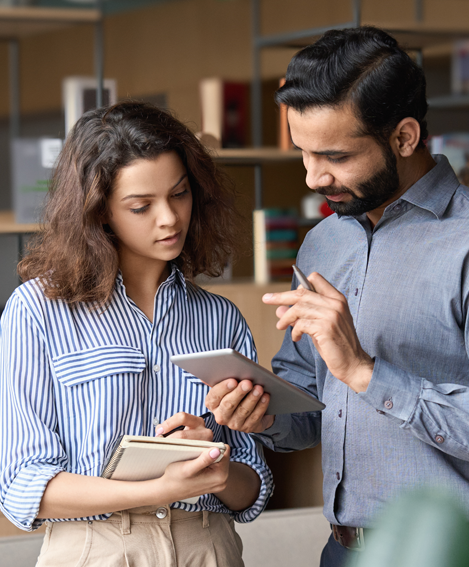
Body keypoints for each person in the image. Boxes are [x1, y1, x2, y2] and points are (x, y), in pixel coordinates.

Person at [205, 26, 469, 567]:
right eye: (303, 152)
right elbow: (310, 413)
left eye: (336, 156)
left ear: (405, 137)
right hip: (342, 550)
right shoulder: (324, 241)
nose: (315, 176)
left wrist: (365, 371)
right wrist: (261, 412)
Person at [0, 101, 273, 567]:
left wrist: (216, 466)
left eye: (180, 194)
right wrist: (158, 488)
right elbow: (25, 487)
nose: (169, 218)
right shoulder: (36, 312)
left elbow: (252, 488)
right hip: (94, 549)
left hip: (208, 547)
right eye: (141, 206)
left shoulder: (221, 318)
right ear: (100, 212)